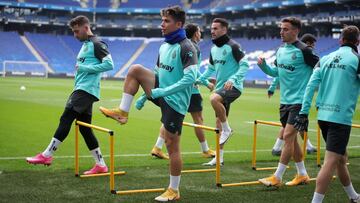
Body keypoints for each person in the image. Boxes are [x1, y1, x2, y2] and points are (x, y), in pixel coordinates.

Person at [98, 6, 198, 201]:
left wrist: (162, 92)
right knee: (135, 69)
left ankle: (174, 190)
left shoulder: (187, 47)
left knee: (172, 145)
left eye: (166, 21)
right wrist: (145, 95)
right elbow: (158, 72)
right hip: (161, 91)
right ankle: (122, 112)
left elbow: (189, 79)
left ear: (178, 24)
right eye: (162, 20)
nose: (161, 24)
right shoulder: (164, 45)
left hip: (175, 101)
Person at [26, 15, 114, 175]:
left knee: (65, 118)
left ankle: (47, 155)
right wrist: (83, 67)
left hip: (85, 90)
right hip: (82, 89)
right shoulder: (86, 45)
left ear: (86, 28)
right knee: (85, 129)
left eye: (76, 31)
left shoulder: (96, 43)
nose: (75, 35)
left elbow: (109, 64)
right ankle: (101, 165)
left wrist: (84, 68)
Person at [294, 25, 360, 203]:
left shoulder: (324, 58)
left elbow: (310, 86)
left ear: (340, 40)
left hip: (323, 117)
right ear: (358, 41)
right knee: (331, 161)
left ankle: (353, 196)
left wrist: (303, 113)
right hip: (340, 119)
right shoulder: (357, 59)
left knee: (341, 158)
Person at [135, 23, 215, 160]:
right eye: (200, 31)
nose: (201, 34)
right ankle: (205, 149)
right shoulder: (192, 48)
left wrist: (144, 96)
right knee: (198, 120)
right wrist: (206, 83)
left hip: (175, 91)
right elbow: (192, 75)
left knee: (168, 119)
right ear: (196, 33)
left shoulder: (179, 46)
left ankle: (157, 147)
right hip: (191, 92)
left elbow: (160, 76)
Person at [257, 17, 319, 187]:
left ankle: (277, 177)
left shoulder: (305, 51)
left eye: (285, 29)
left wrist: (318, 94)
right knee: (293, 141)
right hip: (284, 102)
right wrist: (263, 67)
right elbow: (276, 72)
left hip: (299, 102)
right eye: (281, 29)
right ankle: (302, 174)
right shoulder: (281, 50)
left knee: (287, 136)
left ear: (295, 31)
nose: (281, 32)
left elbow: (321, 69)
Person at [197, 18, 249, 166]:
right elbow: (210, 69)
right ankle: (219, 158)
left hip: (234, 87)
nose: (212, 31)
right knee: (218, 123)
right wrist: (199, 79)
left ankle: (228, 130)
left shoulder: (233, 46)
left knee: (213, 99)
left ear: (224, 30)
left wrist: (233, 79)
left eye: (216, 28)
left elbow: (245, 65)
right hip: (221, 88)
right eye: (211, 28)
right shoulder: (214, 49)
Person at [269, 33, 318, 156]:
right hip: (295, 98)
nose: (312, 46)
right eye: (310, 44)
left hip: (298, 97)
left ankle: (281, 148)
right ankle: (279, 149)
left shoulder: (308, 57)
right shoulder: (300, 54)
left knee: (290, 128)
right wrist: (272, 87)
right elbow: (279, 73)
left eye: (313, 44)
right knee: (293, 127)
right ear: (306, 44)